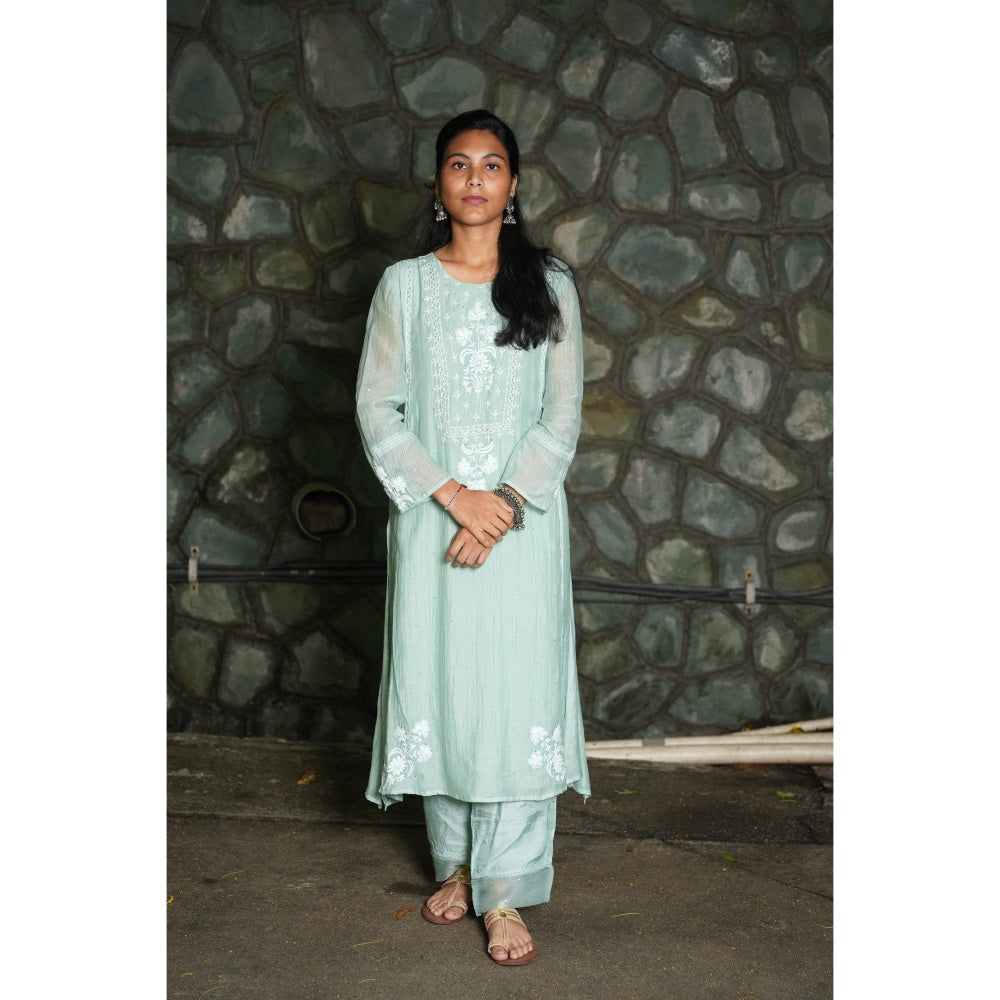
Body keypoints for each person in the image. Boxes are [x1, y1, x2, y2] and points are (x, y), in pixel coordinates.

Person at [355, 108, 590, 967]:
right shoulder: (404, 288)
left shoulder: (550, 285)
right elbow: (377, 405)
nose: (477, 179)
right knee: (445, 684)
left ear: (514, 184)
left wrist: (505, 505)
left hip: (521, 529)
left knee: (515, 694)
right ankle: (456, 865)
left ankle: (506, 890)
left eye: (493, 165)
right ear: (440, 183)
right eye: (460, 164)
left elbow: (562, 411)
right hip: (433, 520)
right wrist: (455, 497)